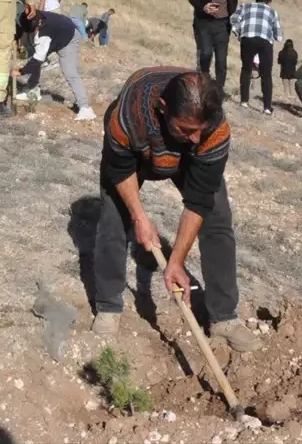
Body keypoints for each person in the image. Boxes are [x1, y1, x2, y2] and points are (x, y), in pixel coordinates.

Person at [91, 67, 261, 353]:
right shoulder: (129, 116)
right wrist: (139, 216)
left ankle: (224, 318)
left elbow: (199, 200)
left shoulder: (213, 129)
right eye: (186, 129)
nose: (195, 139)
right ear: (163, 108)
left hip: (187, 162)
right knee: (114, 218)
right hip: (137, 155)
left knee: (217, 221)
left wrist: (176, 262)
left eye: (199, 130)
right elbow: (119, 169)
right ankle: (109, 306)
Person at [13, 9, 96, 121]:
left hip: (68, 37)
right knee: (35, 55)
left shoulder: (43, 35)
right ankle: (33, 90)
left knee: (69, 72)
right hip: (58, 29)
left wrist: (21, 71)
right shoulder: (32, 15)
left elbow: (38, 59)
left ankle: (85, 109)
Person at [188, 0, 238, 97]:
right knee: (205, 54)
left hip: (223, 25)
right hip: (204, 23)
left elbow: (233, 0)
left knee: (221, 60)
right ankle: (203, 86)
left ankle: (218, 91)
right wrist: (203, 6)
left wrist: (233, 18)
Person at [230, 0, 284, 115]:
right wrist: (276, 36)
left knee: (246, 69)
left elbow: (233, 19)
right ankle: (267, 107)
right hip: (265, 41)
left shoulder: (244, 6)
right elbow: (279, 36)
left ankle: (244, 101)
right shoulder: (272, 12)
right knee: (266, 74)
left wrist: (239, 33)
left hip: (247, 39)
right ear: (268, 2)